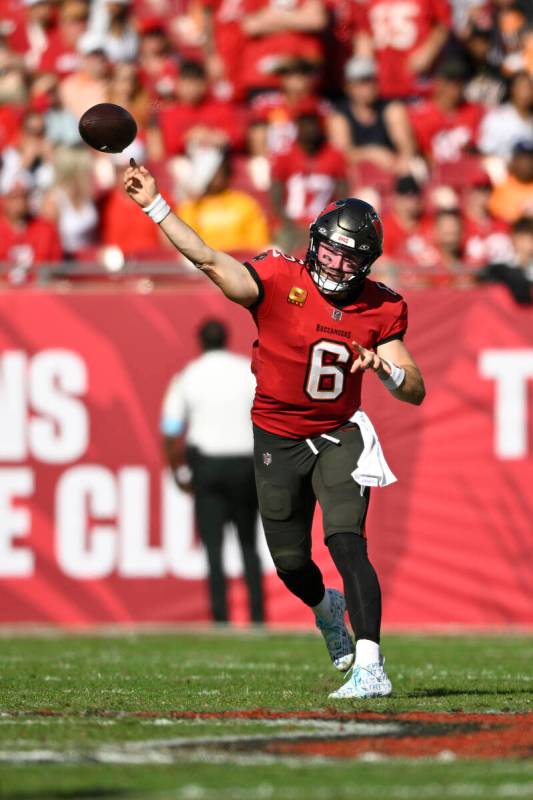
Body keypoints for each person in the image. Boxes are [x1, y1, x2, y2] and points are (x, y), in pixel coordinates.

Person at [124, 158, 426, 699]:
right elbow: (212, 261)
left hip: (339, 432)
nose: (334, 262)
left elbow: (415, 388)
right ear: (314, 242)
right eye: (329, 249)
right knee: (290, 564)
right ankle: (326, 608)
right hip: (276, 437)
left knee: (347, 542)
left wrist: (387, 369)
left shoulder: (381, 307)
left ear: (366, 263)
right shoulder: (280, 276)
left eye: (347, 256)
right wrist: (155, 205)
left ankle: (371, 663)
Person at [161, 319, 265, 624]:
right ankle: (257, 617)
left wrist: (177, 473)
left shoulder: (189, 376)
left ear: (200, 342)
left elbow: (170, 430)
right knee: (248, 544)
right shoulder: (245, 371)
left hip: (207, 467)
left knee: (213, 548)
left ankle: (220, 618)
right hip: (246, 465)